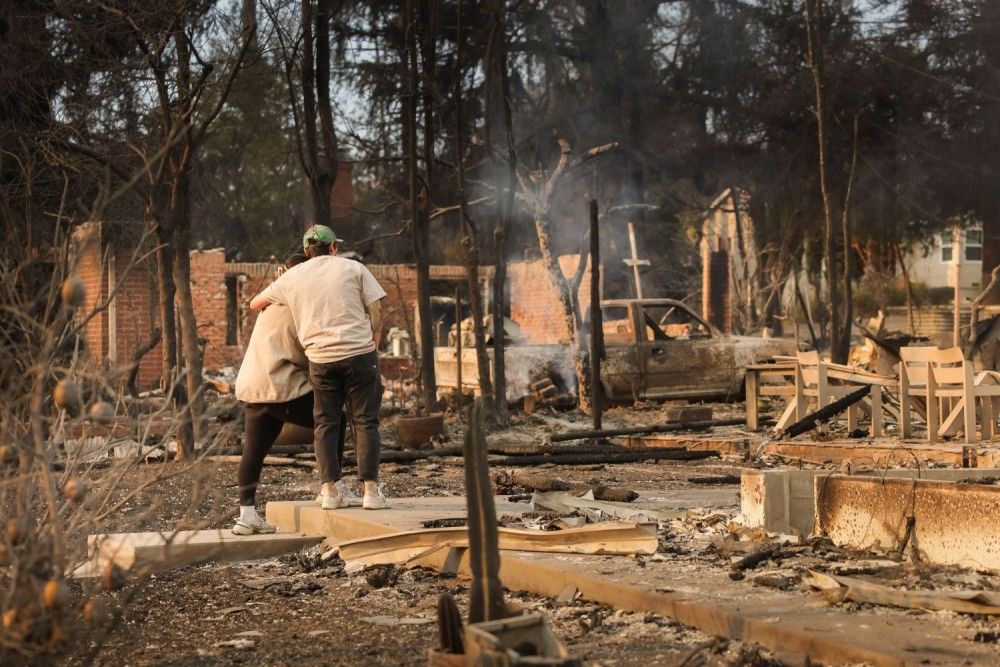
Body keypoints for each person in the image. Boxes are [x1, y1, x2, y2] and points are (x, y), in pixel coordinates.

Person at [250, 225, 388, 510]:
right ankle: (371, 493)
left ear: (305, 251)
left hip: (321, 360)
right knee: (365, 422)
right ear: (334, 247)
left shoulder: (294, 277)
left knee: (326, 423)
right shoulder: (354, 268)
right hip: (360, 354)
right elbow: (376, 309)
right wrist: (374, 343)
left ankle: (329, 491)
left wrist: (281, 286)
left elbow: (255, 303)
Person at [231, 253, 352, 535]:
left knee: (254, 450)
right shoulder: (298, 306)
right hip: (279, 385)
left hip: (254, 385)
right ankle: (330, 487)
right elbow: (309, 351)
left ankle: (246, 515)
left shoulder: (271, 303)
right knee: (333, 420)